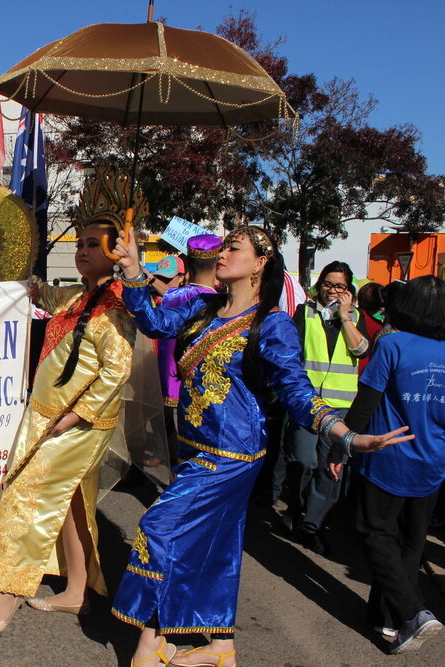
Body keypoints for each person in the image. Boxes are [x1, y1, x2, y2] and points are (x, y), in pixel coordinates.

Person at [108, 226, 412, 667]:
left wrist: (344, 434)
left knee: (159, 529)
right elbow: (154, 323)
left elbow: (295, 388)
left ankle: (152, 638)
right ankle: (219, 645)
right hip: (193, 446)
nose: (223, 253)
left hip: (231, 454)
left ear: (260, 263)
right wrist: (134, 269)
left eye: (234, 248)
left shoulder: (270, 323)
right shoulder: (202, 304)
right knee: (216, 544)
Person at [0, 221, 135, 636]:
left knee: (26, 494)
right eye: (79, 243)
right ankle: (77, 590)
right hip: (49, 414)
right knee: (70, 504)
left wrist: (76, 416)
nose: (81, 250)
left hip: (77, 422)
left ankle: (5, 593)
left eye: (91, 244)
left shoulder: (117, 305)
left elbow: (117, 371)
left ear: (115, 252)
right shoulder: (76, 295)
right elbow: (32, 289)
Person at [327, 275, 445, 654]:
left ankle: (412, 611)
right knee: (410, 544)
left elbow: (366, 402)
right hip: (432, 463)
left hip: (386, 458)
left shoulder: (393, 344)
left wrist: (340, 447)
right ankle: (387, 620)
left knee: (377, 535)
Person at [281, 261, 368, 554]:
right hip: (307, 402)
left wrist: (345, 318)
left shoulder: (356, 317)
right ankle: (295, 507)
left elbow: (361, 349)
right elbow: (290, 353)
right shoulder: (304, 313)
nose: (332, 290)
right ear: (319, 286)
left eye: (340, 286)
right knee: (304, 460)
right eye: (328, 284)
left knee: (331, 469)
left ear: (349, 291)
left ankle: (312, 526)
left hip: (342, 405)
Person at [156, 235, 220, 467]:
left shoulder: (172, 296)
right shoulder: (223, 303)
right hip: (205, 384)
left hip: (168, 375)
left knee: (174, 433)